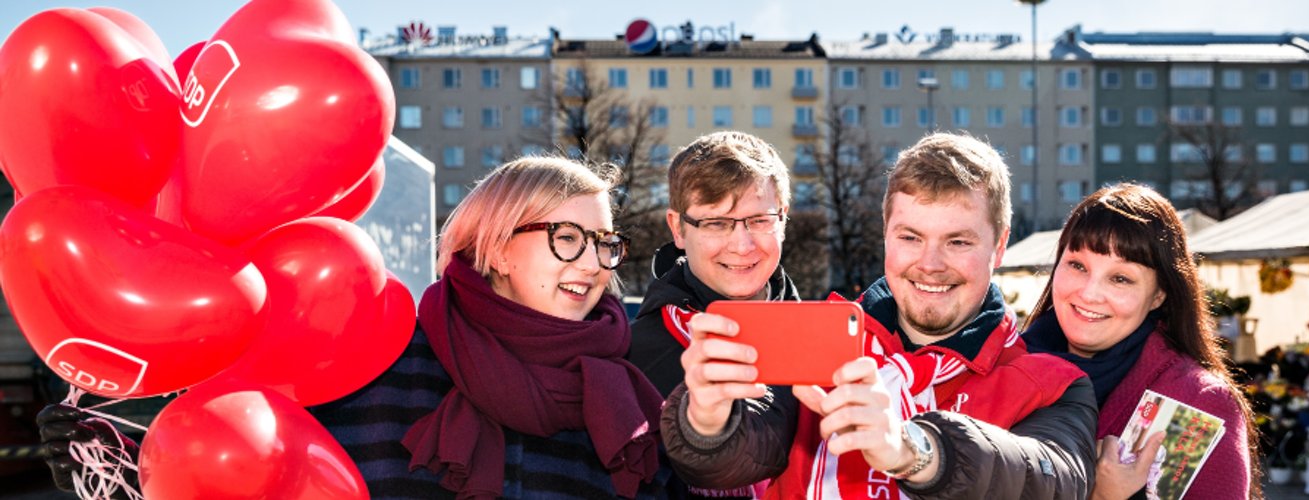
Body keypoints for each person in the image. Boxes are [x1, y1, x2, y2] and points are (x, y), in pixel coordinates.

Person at [39, 157, 670, 499]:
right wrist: (119, 457)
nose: (594, 264)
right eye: (568, 238)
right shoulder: (384, 361)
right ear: (498, 248)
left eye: (604, 242)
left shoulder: (629, 394)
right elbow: (260, 462)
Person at [659, 133, 1098, 499]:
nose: (930, 264)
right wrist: (707, 420)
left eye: (958, 242)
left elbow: (1053, 480)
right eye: (910, 237)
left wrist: (915, 450)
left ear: (999, 247)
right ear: (886, 235)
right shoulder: (819, 337)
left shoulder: (1051, 383)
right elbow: (745, 453)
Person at [1020, 183, 1258, 500]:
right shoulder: (999, 368)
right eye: (1077, 266)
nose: (1090, 293)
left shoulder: (1194, 403)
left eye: (1120, 278)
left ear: (1159, 295)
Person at [630, 131, 800, 399]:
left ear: (782, 219)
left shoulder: (831, 345)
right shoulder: (632, 361)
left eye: (759, 221)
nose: (742, 246)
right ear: (678, 228)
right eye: (716, 224)